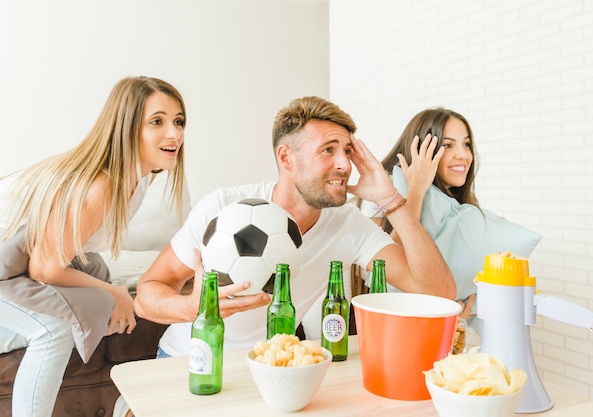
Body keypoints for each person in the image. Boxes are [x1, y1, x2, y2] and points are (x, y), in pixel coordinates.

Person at [134, 96, 455, 358]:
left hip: (272, 364)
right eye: (328, 150)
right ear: (286, 158)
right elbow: (148, 292)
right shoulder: (221, 208)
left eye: (347, 151)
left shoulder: (347, 224)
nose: (344, 164)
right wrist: (192, 306)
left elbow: (439, 293)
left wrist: (391, 199)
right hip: (189, 360)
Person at [0, 76, 187, 417]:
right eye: (157, 122)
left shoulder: (138, 178)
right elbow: (45, 268)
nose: (174, 134)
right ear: (126, 128)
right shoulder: (101, 184)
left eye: (178, 121)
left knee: (95, 268)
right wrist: (114, 293)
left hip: (18, 261)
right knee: (54, 330)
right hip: (6, 266)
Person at [363, 107, 479, 319]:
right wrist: (416, 189)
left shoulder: (456, 203)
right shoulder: (383, 187)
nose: (463, 155)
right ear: (422, 152)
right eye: (447, 145)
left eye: (466, 144)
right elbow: (384, 266)